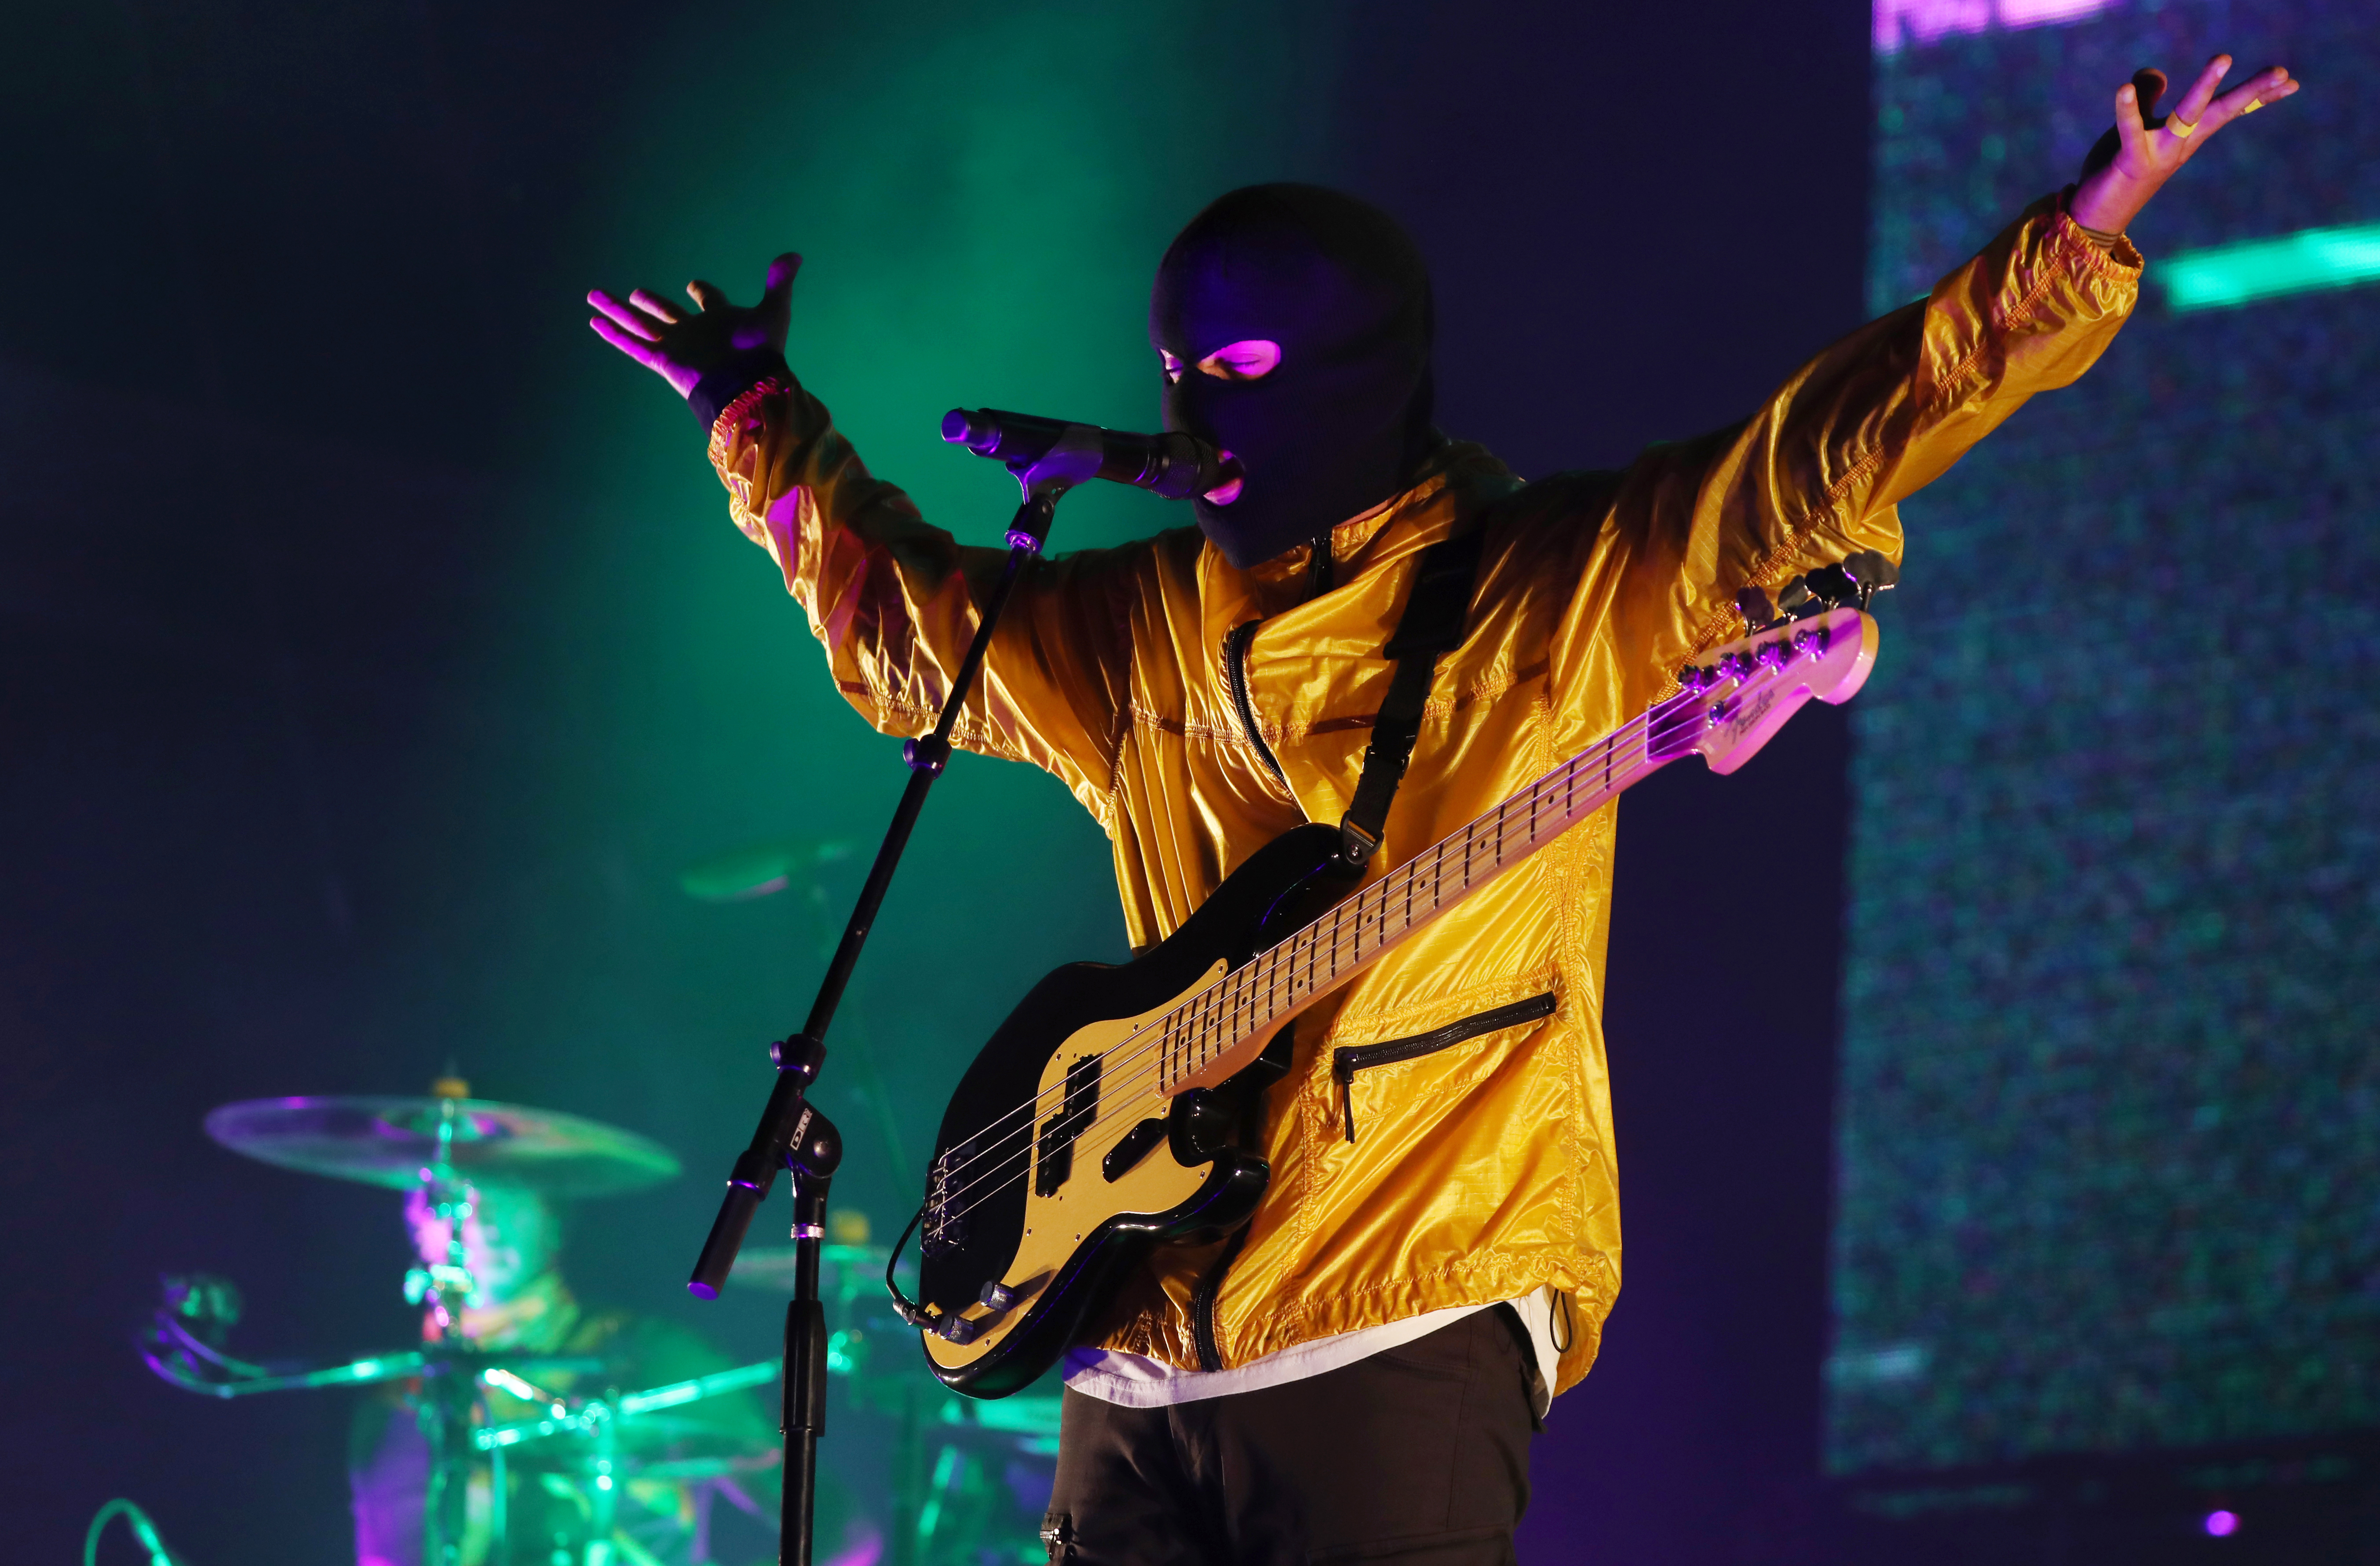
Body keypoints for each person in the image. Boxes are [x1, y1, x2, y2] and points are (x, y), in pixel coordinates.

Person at [588, 56, 2295, 1566]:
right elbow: (911, 628)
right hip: (1131, 1332)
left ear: (1363, 365)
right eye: (1181, 368)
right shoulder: (1139, 624)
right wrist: (754, 414)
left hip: (1404, 1298)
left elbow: (1804, 469)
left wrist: (2075, 232)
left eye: (1252, 364)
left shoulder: (1542, 590)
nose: (1205, 411)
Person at [350, 1183, 780, 1566]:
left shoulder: (654, 1357)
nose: (481, 1221)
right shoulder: (400, 1406)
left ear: (553, 1217)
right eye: (452, 1201)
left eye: (508, 1192)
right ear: (417, 1224)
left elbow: (825, 1521)